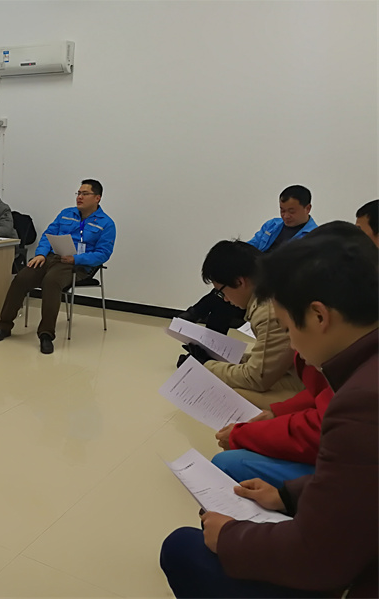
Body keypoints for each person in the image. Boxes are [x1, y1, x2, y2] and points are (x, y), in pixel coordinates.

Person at [161, 221, 378, 599]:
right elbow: (356, 485)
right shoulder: (361, 373)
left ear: (318, 316)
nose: (291, 345)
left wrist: (230, 537)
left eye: (288, 328)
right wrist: (286, 496)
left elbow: (319, 556)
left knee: (182, 548)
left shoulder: (361, 401)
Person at [0, 179, 115, 354]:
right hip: (51, 257)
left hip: (78, 265)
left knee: (51, 281)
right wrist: (41, 254)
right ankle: (4, 326)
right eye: (78, 193)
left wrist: (76, 259)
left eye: (85, 194)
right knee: (22, 277)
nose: (79, 197)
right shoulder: (66, 214)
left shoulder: (106, 224)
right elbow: (48, 235)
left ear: (97, 198)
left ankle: (46, 334)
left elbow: (103, 254)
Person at [178, 240, 303, 408]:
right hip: (303, 374)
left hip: (313, 386)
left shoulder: (267, 310)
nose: (225, 299)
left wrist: (205, 365)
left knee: (225, 392)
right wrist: (221, 360)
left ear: (240, 282)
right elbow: (272, 360)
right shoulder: (276, 287)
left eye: (221, 292)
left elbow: (256, 378)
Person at [178, 185, 317, 334]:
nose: (286, 216)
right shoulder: (272, 225)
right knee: (224, 294)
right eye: (282, 210)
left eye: (291, 211)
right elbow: (250, 247)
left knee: (224, 297)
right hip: (253, 277)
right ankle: (206, 338)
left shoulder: (313, 238)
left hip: (275, 288)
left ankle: (197, 316)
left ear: (307, 208)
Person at [210, 352, 333, 487]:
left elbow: (318, 432)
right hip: (336, 457)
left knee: (227, 462)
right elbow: (323, 393)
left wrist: (241, 436)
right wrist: (278, 412)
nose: (291, 347)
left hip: (341, 475)